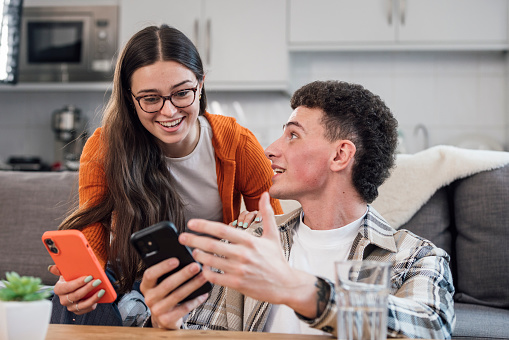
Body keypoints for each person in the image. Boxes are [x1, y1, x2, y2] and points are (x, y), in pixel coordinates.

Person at [140, 80, 456, 339]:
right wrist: (166, 325)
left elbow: (431, 327)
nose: (271, 149)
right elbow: (200, 328)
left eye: (293, 135)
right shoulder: (248, 242)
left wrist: (294, 287)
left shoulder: (413, 256)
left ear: (340, 155)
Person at [48, 24, 282, 326]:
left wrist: (256, 225)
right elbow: (93, 241)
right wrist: (80, 285)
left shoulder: (236, 143)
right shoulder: (104, 146)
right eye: (150, 98)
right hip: (127, 278)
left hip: (201, 283)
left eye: (182, 93)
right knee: (76, 298)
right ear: (130, 99)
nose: (169, 112)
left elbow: (279, 235)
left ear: (201, 84)